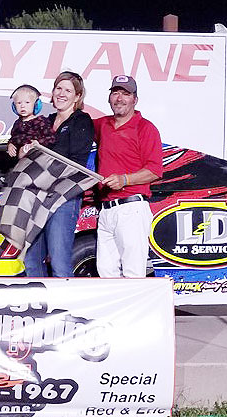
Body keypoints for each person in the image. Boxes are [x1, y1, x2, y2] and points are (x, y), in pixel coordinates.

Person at [19, 72, 95, 277]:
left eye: (68, 90)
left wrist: (39, 154)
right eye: (58, 89)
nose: (61, 94)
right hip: (37, 196)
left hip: (64, 197)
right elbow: (22, 152)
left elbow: (76, 162)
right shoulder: (44, 120)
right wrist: (21, 149)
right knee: (32, 259)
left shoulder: (82, 121)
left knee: (59, 260)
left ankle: (63, 308)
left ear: (77, 97)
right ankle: (39, 307)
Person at [94, 75, 163, 277]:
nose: (119, 98)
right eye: (115, 93)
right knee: (106, 271)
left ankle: (137, 310)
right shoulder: (102, 125)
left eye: (126, 94)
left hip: (131, 208)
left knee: (134, 272)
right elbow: (74, 124)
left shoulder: (145, 128)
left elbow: (155, 170)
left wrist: (125, 180)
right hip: (106, 210)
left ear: (135, 99)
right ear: (109, 98)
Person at [6, 85, 54, 159]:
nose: (22, 106)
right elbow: (13, 138)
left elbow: (50, 139)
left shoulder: (41, 121)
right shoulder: (17, 123)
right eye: (19, 103)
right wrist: (10, 145)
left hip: (37, 157)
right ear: (14, 107)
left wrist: (38, 144)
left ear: (36, 105)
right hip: (19, 159)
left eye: (27, 102)